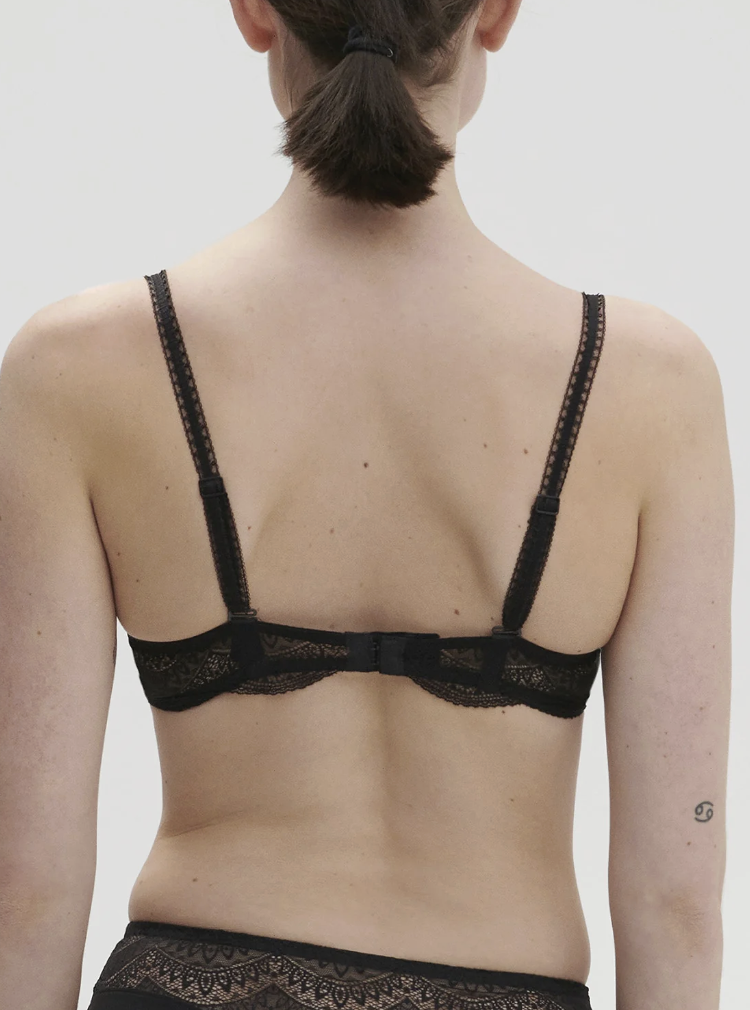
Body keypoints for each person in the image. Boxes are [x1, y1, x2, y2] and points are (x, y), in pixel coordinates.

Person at [0, 1, 733, 1009]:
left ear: (255, 12)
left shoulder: (79, 368)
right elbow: (675, 901)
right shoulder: (646, 387)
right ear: (496, 13)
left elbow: (26, 886)